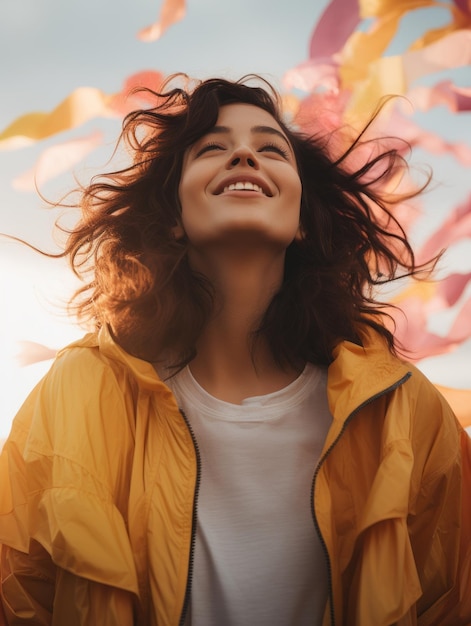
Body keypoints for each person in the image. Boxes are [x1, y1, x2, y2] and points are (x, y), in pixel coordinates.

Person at [0, 75, 470, 626]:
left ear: (300, 222)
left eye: (272, 149)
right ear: (174, 218)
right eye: (213, 148)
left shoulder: (404, 414)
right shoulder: (76, 394)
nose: (245, 154)